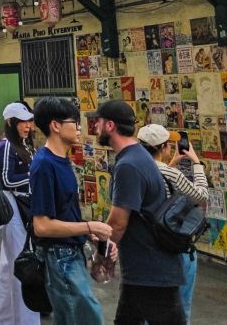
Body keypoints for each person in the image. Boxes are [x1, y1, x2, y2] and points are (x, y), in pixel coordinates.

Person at [91, 100, 184, 325]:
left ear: (110, 126)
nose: (94, 127)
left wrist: (101, 253)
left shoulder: (128, 165)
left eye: (98, 122)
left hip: (151, 272)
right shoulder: (137, 156)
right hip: (143, 270)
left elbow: (119, 223)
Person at [31, 96, 111, 325]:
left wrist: (88, 234)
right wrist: (88, 226)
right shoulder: (44, 164)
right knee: (84, 315)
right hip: (60, 256)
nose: (79, 128)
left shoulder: (61, 160)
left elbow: (63, 212)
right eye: (74, 122)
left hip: (72, 252)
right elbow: (42, 225)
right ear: (55, 126)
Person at [137, 124, 208, 322]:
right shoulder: (171, 174)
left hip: (145, 245)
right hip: (171, 242)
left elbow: (158, 178)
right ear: (164, 147)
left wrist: (173, 162)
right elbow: (200, 194)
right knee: (179, 303)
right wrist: (196, 162)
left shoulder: (134, 168)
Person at [0, 102, 40, 325]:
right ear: (11, 122)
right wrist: (36, 178)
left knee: (9, 268)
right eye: (23, 121)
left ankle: (4, 320)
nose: (28, 126)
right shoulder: (6, 146)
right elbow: (5, 180)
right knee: (22, 267)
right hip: (15, 212)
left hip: (24, 211)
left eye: (29, 121)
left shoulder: (24, 144)